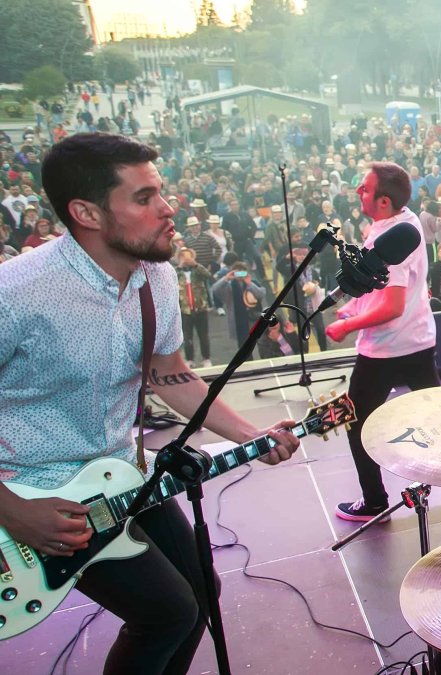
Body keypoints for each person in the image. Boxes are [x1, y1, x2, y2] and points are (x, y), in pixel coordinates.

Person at [0, 132, 300, 675]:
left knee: (199, 597)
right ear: (86, 212)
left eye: (160, 192)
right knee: (167, 613)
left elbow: (171, 377)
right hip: (34, 494)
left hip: (118, 473)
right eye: (144, 198)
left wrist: (251, 437)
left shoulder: (155, 277)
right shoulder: (17, 294)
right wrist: (11, 509)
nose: (168, 210)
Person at [325, 162, 439, 522]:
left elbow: (392, 304)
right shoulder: (405, 223)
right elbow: (380, 288)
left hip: (388, 347)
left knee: (355, 420)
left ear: (384, 201)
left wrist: (349, 325)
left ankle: (374, 502)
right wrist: (355, 307)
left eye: (364, 188)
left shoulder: (392, 240)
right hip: (417, 338)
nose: (358, 191)